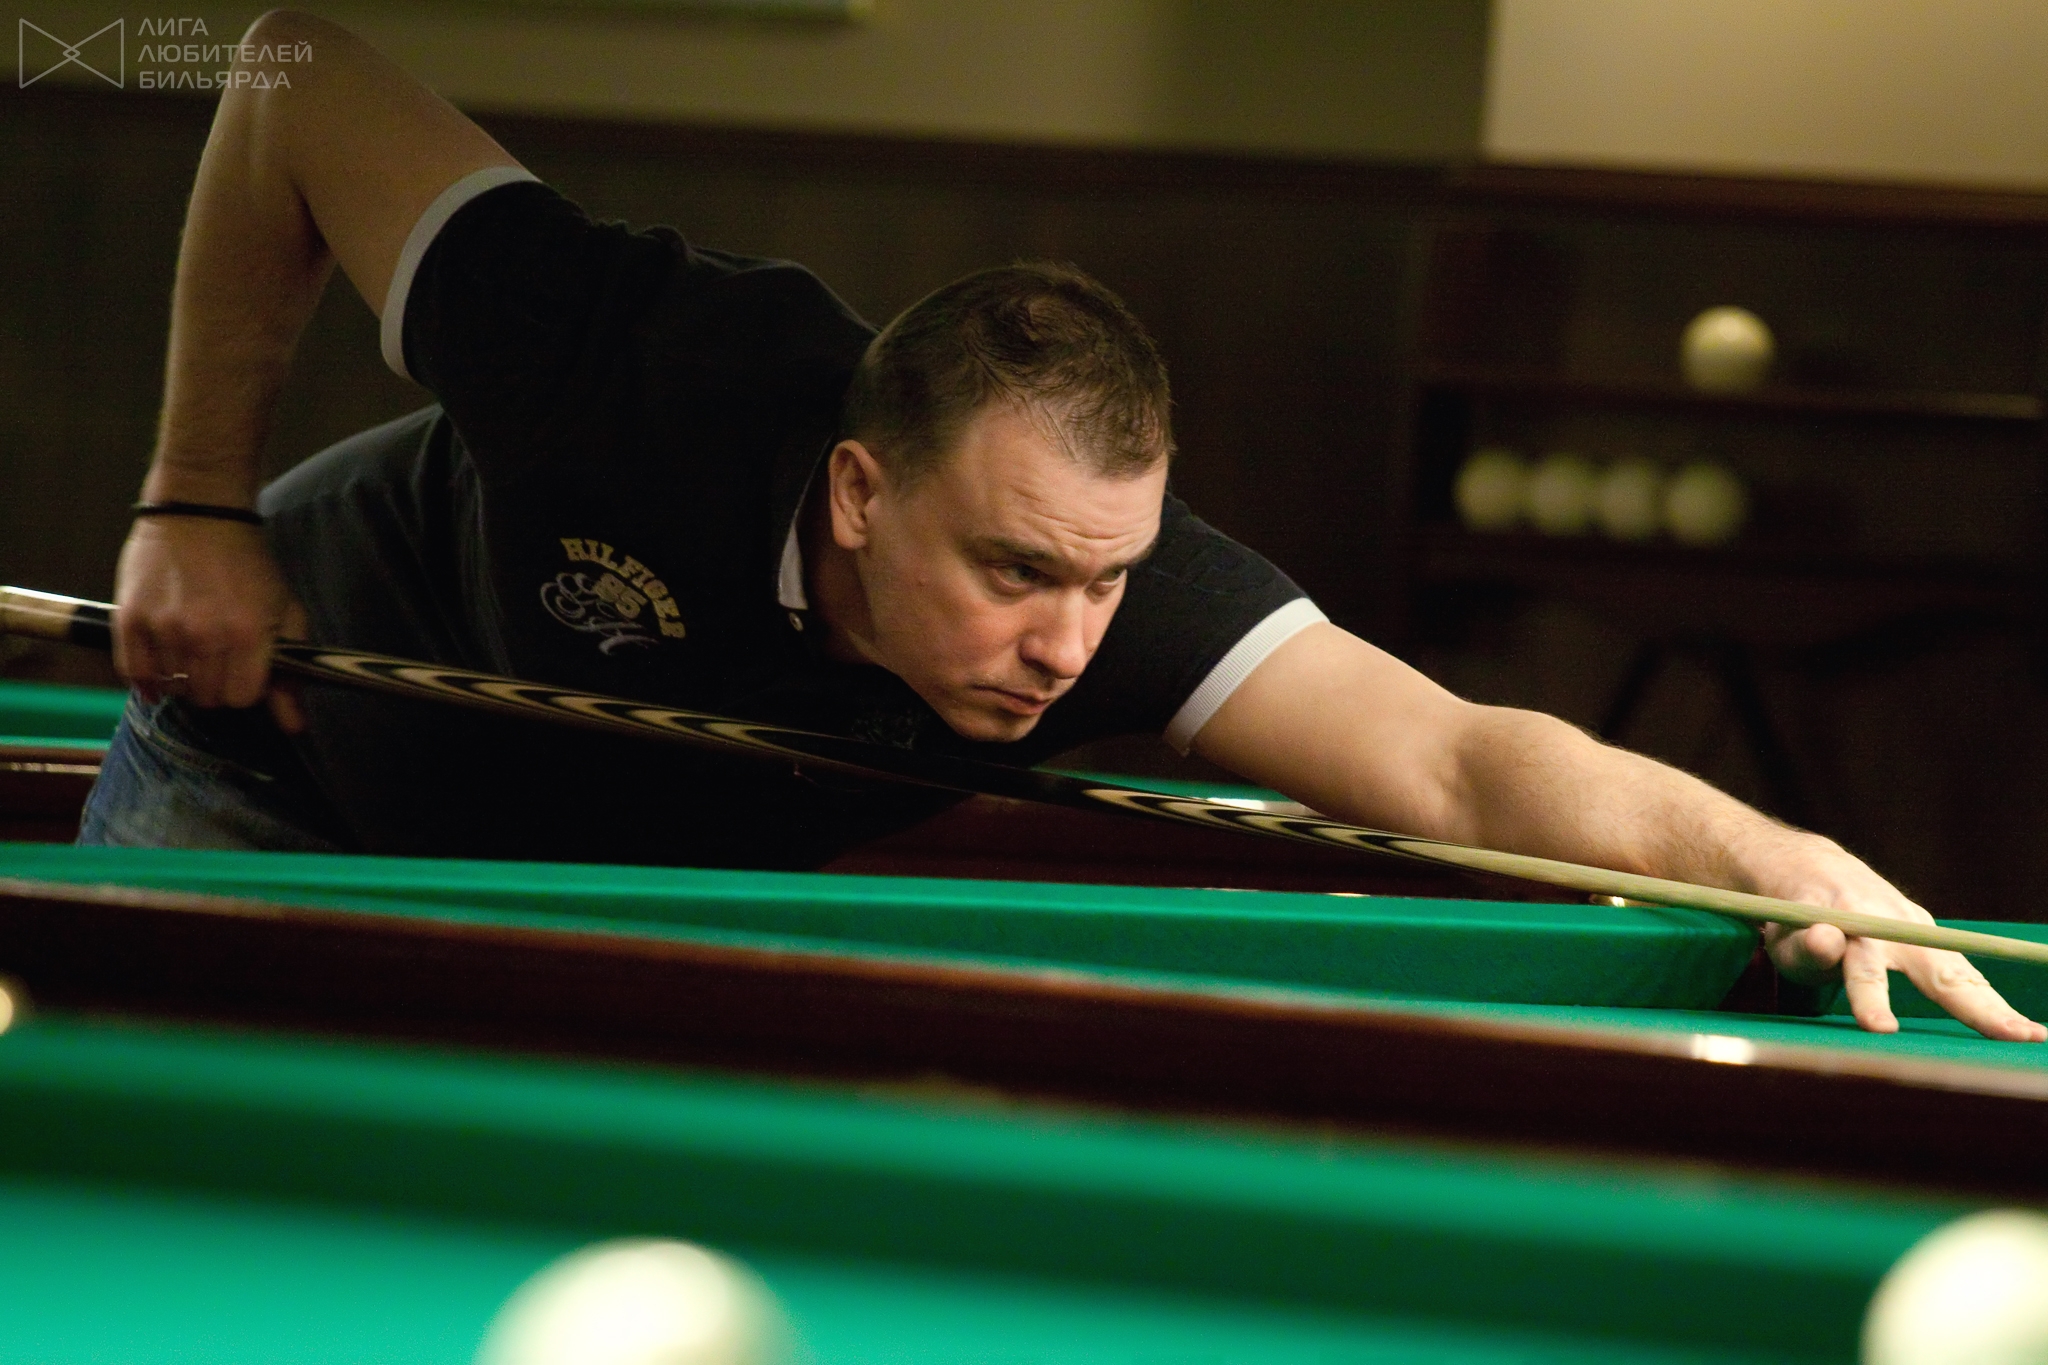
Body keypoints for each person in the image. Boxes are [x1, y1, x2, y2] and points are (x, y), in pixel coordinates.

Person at [82, 10, 2042, 1044]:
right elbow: (284, 64)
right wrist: (193, 503)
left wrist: (1769, 852)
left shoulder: (1118, 596)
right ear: (860, 492)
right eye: (1017, 571)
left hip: (578, 887)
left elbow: (1456, 755)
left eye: (1105, 580)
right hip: (283, 761)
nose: (1066, 643)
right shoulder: (623, 356)